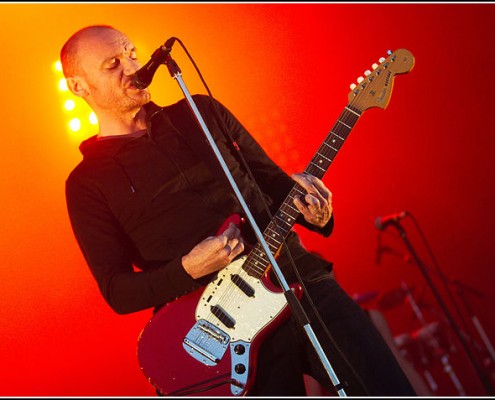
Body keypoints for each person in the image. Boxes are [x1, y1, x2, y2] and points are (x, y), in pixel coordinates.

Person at [62, 25, 416, 397]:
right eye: (112, 64)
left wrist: (318, 214)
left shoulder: (201, 112)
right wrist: (186, 269)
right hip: (226, 332)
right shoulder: (86, 183)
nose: (132, 66)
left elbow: (276, 187)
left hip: (299, 280)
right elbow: (118, 290)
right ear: (79, 87)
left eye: (132, 53)